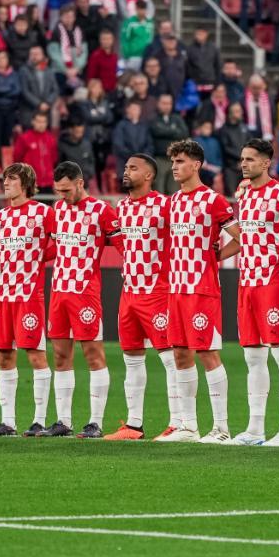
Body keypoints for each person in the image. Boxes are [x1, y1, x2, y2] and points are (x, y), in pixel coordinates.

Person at [155, 140, 242, 443]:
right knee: (180, 353)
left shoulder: (213, 200)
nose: (174, 167)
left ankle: (221, 428)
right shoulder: (173, 202)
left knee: (207, 352)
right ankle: (188, 427)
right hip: (176, 288)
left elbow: (241, 237)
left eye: (180, 161)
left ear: (196, 165)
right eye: (173, 162)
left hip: (201, 289)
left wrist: (216, 257)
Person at [33, 160, 125, 437]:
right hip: (59, 292)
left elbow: (124, 246)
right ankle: (64, 421)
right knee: (61, 356)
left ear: (80, 183)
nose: (62, 195)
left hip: (85, 293)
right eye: (58, 191)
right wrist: (32, 255)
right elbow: (56, 248)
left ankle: (95, 422)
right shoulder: (57, 210)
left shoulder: (101, 211)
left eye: (66, 190)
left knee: (93, 354)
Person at [228, 139, 279, 446]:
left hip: (273, 282)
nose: (244, 164)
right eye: (242, 159)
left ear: (266, 163)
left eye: (250, 159)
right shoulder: (243, 193)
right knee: (253, 358)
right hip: (247, 283)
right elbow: (244, 237)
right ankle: (255, 428)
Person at [104, 154, 182, 440]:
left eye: (133, 168)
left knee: (170, 359)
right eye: (125, 167)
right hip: (129, 293)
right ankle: (134, 425)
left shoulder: (165, 205)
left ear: (149, 175)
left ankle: (179, 422)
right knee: (132, 359)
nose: (126, 172)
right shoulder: (121, 207)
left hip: (157, 292)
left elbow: (187, 236)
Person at [0, 163, 54, 436]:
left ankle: (39, 421)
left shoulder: (43, 213)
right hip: (3, 297)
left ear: (26, 184)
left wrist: (37, 258)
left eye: (11, 179)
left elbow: (61, 245)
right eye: (5, 179)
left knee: (35, 356)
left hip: (29, 296)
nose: (6, 183)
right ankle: (8, 422)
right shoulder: (0, 217)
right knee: (4, 357)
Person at [13, 111, 58, 194]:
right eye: (39, 121)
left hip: (48, 183)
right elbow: (17, 158)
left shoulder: (51, 139)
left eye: (44, 122)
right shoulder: (24, 138)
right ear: (33, 122)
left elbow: (54, 159)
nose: (41, 124)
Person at [18, 46, 60, 127]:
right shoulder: (24, 70)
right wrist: (39, 104)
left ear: (43, 55)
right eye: (32, 54)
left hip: (46, 111)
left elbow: (55, 89)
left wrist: (48, 102)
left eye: (37, 54)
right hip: (29, 111)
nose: (34, 56)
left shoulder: (49, 71)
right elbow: (25, 91)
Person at [0, 51, 21, 147]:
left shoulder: (14, 74)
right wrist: (9, 89)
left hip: (10, 109)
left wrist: (2, 90)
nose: (2, 60)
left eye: (4, 57)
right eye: (0, 58)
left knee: (7, 137)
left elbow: (17, 90)